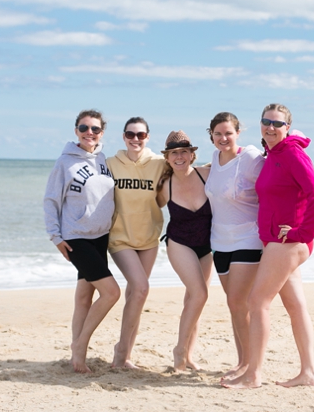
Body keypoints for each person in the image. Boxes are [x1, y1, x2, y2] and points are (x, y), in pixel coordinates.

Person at [222, 104, 314, 389]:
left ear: (287, 128)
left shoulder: (292, 153)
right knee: (295, 306)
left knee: (258, 302)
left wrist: (302, 233)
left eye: (277, 124)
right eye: (266, 121)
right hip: (279, 242)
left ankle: (253, 374)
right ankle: (308, 373)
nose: (270, 127)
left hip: (287, 243)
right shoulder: (274, 154)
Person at [43, 110, 121, 373]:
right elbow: (51, 200)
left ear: (102, 132)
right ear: (76, 130)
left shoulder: (103, 160)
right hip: (76, 238)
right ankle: (80, 346)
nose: (90, 133)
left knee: (84, 298)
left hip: (100, 237)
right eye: (84, 128)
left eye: (95, 129)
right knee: (112, 293)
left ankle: (77, 358)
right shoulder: (64, 163)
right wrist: (55, 237)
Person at [203, 112, 264, 379]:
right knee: (234, 305)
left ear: (238, 132)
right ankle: (242, 362)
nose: (223, 138)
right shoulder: (214, 161)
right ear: (211, 136)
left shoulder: (251, 159)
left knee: (239, 301)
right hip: (219, 241)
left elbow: (275, 186)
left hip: (248, 239)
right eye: (218, 133)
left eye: (228, 132)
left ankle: (251, 366)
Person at [105, 117, 166, 369]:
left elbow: (169, 192)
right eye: (131, 134)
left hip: (149, 238)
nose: (135, 139)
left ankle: (126, 354)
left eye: (141, 135)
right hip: (119, 237)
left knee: (136, 295)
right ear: (123, 136)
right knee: (141, 289)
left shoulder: (159, 164)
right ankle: (121, 353)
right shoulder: (109, 164)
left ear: (148, 137)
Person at [157, 130, 213, 371]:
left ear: (192, 155)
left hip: (207, 246)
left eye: (183, 152)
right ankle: (179, 349)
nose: (179, 157)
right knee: (199, 294)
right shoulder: (164, 186)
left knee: (194, 299)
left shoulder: (207, 174)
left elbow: (234, 161)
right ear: (167, 158)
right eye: (173, 153)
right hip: (179, 243)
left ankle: (188, 356)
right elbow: (138, 207)